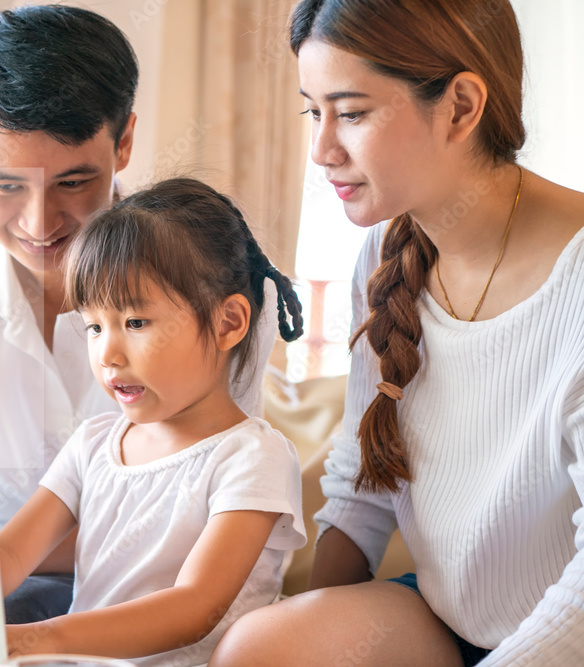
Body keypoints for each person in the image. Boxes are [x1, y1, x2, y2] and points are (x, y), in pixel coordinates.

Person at [0, 5, 280, 623]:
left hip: (166, 597)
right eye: (6, 186)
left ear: (124, 141)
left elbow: (206, 510)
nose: (39, 223)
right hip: (5, 581)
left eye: (74, 182)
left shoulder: (213, 282)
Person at [210, 1, 584, 665]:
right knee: (257, 649)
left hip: (565, 633)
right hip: (447, 620)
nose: (323, 150)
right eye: (312, 111)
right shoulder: (386, 250)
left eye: (351, 113)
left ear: (462, 107)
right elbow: (362, 487)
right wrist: (310, 625)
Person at [0, 178, 308, 666]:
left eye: (136, 323)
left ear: (228, 323)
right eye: (95, 326)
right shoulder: (94, 443)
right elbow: (12, 555)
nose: (107, 354)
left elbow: (194, 608)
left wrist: (44, 638)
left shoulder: (251, 457)